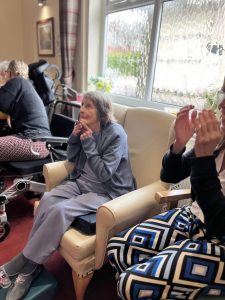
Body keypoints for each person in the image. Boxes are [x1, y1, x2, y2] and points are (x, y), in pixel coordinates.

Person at [0, 91, 136, 300]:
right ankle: (32, 264)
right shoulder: (85, 128)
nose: (82, 110)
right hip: (81, 182)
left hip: (107, 190)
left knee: (60, 210)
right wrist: (74, 138)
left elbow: (105, 174)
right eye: (83, 105)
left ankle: (26, 266)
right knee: (46, 199)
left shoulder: (116, 134)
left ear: (102, 111)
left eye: (89, 106)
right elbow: (71, 158)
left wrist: (89, 144)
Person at [107, 96, 225, 299]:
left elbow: (219, 223)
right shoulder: (220, 142)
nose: (221, 104)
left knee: (130, 284)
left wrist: (203, 158)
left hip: (219, 237)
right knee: (117, 248)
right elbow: (170, 176)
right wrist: (179, 144)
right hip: (193, 218)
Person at [0, 59, 51, 161]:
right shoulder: (26, 85)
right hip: (39, 142)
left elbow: (2, 102)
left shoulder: (16, 81)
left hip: (34, 143)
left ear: (8, 73)